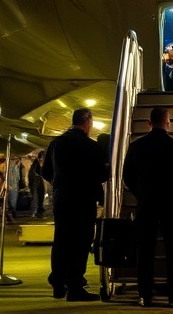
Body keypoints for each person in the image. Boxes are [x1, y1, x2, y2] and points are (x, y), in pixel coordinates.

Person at [123, 106, 173, 307]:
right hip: (172, 206)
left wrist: (140, 193)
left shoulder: (136, 146)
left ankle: (145, 295)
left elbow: (127, 176)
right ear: (168, 123)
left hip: (146, 204)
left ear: (149, 123)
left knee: (145, 250)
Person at [42, 107, 107, 302]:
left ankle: (57, 279)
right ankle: (75, 286)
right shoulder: (92, 146)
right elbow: (102, 175)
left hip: (62, 199)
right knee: (81, 242)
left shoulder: (56, 144)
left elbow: (46, 172)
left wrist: (60, 183)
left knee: (61, 239)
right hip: (83, 200)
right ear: (88, 122)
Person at [28, 151, 46, 219]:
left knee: (40, 196)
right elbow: (32, 172)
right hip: (35, 182)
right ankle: (34, 212)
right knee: (35, 197)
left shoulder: (40, 163)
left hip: (39, 181)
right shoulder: (36, 163)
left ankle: (39, 211)